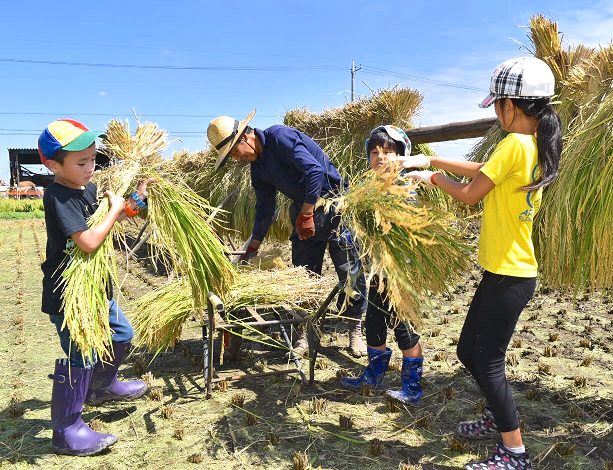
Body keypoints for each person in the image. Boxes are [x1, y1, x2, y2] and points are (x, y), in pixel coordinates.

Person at [402, 57, 562, 470]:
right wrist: (432, 162)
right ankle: (497, 416)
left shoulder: (514, 144)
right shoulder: (531, 144)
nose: (494, 111)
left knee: (487, 360)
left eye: (497, 104)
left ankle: (515, 452)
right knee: (467, 351)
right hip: (506, 272)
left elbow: (473, 192)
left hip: (511, 274)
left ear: (511, 104)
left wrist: (434, 180)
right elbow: (486, 172)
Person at [207, 111, 367, 357]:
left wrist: (306, 214)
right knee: (303, 275)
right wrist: (253, 246)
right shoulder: (257, 169)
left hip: (335, 206)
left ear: (245, 138)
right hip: (304, 210)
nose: (236, 159)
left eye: (234, 153)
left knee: (349, 273)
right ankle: (303, 333)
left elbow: (314, 171)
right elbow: (264, 209)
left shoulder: (280, 137)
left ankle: (355, 329)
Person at [39, 119, 151, 456]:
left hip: (97, 289)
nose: (90, 168)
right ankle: (67, 430)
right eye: (81, 162)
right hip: (70, 295)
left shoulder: (86, 189)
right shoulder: (59, 196)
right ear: (52, 165)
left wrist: (135, 200)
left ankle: (102, 387)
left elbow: (113, 216)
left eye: (93, 159)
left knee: (121, 336)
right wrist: (115, 208)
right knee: (81, 357)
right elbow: (88, 241)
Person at [340, 125, 428, 406]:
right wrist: (349, 233)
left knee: (405, 329)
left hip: (401, 273)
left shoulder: (405, 187)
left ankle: (412, 388)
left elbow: (407, 226)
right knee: (374, 324)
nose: (380, 157)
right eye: (375, 152)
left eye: (388, 152)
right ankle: (373, 375)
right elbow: (356, 225)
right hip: (377, 271)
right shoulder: (365, 189)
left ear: (402, 156)